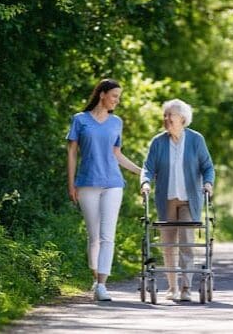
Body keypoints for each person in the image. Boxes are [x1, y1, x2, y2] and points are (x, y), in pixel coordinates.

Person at [67, 78, 141, 301]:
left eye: (119, 97)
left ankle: (101, 284)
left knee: (108, 236)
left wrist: (141, 171)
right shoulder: (80, 120)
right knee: (94, 236)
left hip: (113, 183)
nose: (117, 101)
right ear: (102, 94)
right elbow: (71, 152)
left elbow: (116, 154)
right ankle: (95, 278)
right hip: (87, 183)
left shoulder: (116, 122)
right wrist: (71, 184)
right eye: (114, 96)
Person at [140, 98, 215, 302]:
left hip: (190, 199)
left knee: (187, 243)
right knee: (168, 243)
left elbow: (208, 166)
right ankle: (172, 287)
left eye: (169, 115)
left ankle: (186, 287)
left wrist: (208, 183)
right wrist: (145, 182)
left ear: (182, 118)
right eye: (164, 115)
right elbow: (148, 167)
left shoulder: (196, 140)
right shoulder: (158, 142)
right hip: (167, 199)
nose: (166, 119)